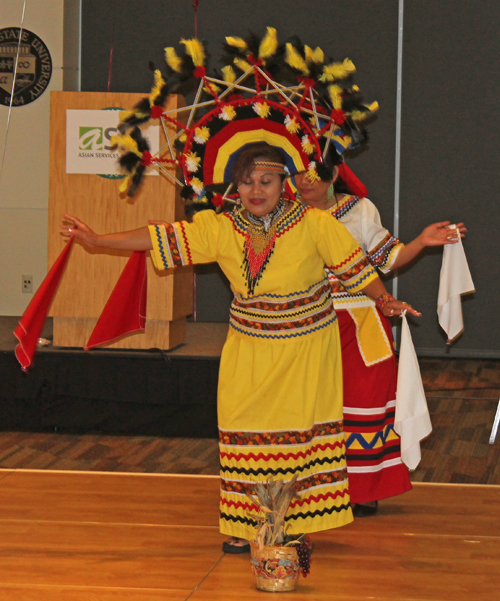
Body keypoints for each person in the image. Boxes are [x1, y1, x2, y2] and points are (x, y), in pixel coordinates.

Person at [61, 142, 419, 551]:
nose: (256, 190)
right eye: (247, 182)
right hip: (248, 346)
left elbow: (354, 267)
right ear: (236, 187)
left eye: (266, 181)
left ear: (284, 182)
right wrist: (96, 238)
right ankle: (244, 522)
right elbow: (163, 236)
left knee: (294, 436)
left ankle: (289, 520)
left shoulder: (314, 223)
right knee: (241, 429)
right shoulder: (222, 227)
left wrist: (382, 299)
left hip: (304, 348)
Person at [294, 158, 466, 516]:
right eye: (295, 173)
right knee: (308, 407)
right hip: (306, 324)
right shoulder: (284, 214)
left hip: (361, 321)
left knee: (367, 403)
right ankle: (310, 489)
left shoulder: (360, 210)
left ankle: (363, 488)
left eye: (313, 173)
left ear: (334, 174)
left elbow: (387, 258)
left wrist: (420, 241)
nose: (303, 181)